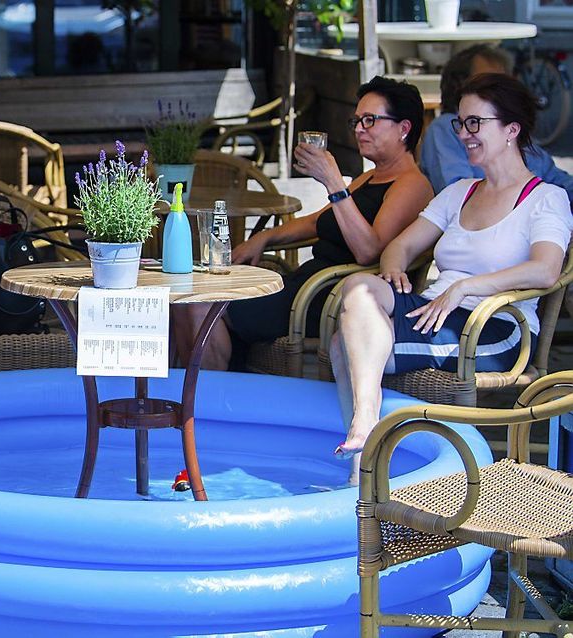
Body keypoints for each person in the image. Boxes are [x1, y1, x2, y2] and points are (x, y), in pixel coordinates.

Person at [330, 73, 573, 467]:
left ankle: (365, 451)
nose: (463, 133)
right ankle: (368, 441)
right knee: (359, 286)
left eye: (475, 123)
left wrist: (465, 288)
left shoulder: (546, 199)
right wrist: (394, 271)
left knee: (344, 346)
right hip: (434, 310)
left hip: (492, 326)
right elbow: (400, 246)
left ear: (512, 129)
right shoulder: (460, 190)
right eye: (460, 122)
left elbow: (545, 271)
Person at [172, 76, 435, 370]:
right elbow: (316, 222)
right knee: (188, 296)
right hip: (305, 284)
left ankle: (207, 401)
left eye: (370, 120)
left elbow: (369, 251)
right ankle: (198, 397)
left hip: (329, 298)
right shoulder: (370, 177)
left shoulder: (411, 184)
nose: (360, 129)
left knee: (198, 304)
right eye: (357, 121)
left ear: (404, 128)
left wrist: (334, 182)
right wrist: (266, 237)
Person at [420, 44, 573, 205]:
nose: (504, 89)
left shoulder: (509, 128)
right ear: (463, 85)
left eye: (506, 79)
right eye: (491, 83)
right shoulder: (446, 129)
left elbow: (560, 181)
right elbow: (457, 198)